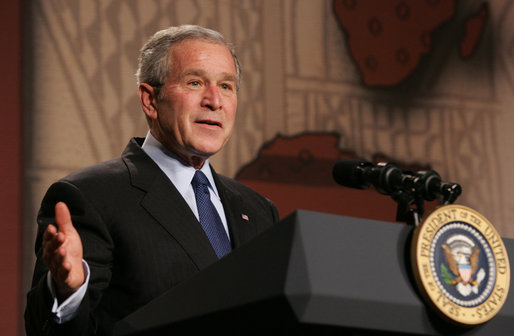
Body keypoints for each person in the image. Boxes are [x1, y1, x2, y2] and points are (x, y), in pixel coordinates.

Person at [25, 24, 279, 335]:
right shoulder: (91, 196)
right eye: (195, 82)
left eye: (226, 86)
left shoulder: (258, 210)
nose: (215, 100)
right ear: (150, 100)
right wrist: (69, 290)